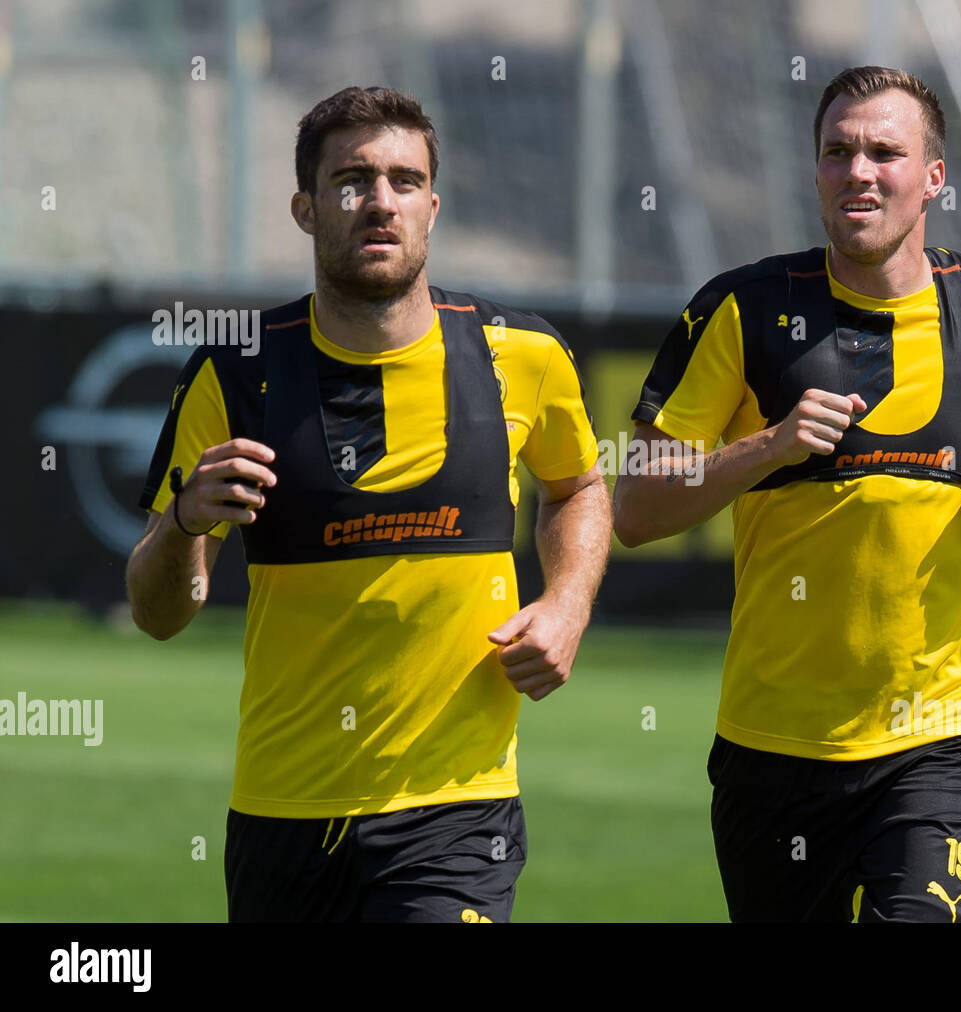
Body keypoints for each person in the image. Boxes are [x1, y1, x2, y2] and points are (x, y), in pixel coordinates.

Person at [126, 86, 610, 923]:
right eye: (352, 180)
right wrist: (184, 524)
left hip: (457, 812)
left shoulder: (521, 354)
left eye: (403, 179)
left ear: (433, 204)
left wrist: (566, 603)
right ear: (306, 209)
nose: (379, 201)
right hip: (283, 816)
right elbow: (159, 612)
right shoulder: (235, 373)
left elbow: (578, 486)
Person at [613, 66, 961, 922]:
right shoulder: (743, 308)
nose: (859, 170)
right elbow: (635, 511)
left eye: (884, 152)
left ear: (933, 176)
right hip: (774, 744)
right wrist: (768, 447)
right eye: (838, 151)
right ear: (815, 168)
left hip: (940, 735)